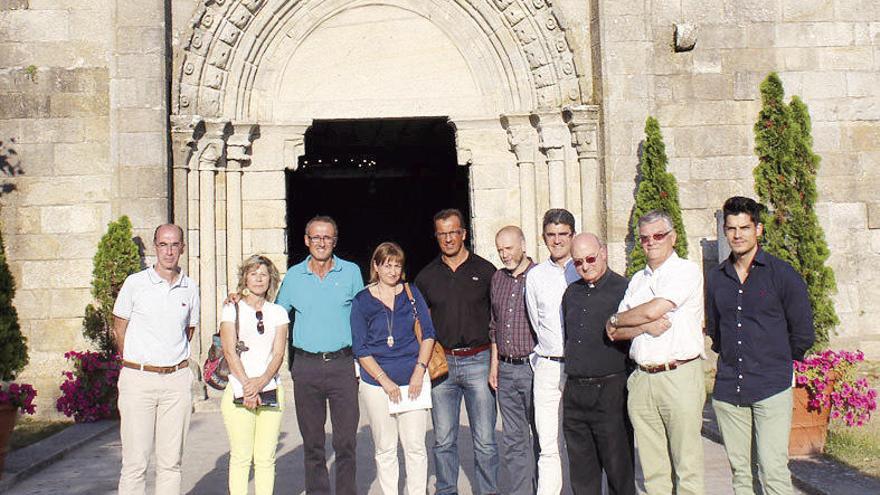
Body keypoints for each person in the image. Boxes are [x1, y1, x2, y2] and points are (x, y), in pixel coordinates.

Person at [708, 197, 814, 495]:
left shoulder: (782, 275)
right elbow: (716, 329)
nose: (737, 235)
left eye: (744, 227)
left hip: (771, 387)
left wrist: (775, 362)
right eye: (731, 228)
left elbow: (803, 332)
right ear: (725, 231)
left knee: (773, 472)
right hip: (730, 390)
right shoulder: (717, 278)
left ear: (759, 230)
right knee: (742, 476)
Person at [606, 210, 706, 495]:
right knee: (654, 472)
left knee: (687, 468)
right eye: (645, 238)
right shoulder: (637, 280)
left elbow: (650, 310)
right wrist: (643, 325)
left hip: (678, 375)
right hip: (642, 379)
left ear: (672, 237)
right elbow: (614, 331)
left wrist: (622, 318)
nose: (651, 242)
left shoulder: (686, 271)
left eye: (658, 235)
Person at [275, 216, 364, 495]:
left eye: (327, 238)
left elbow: (365, 315)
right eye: (316, 237)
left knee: (346, 441)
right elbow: (276, 314)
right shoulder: (293, 276)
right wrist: (239, 299)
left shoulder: (350, 272)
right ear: (306, 240)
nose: (322, 243)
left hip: (342, 365)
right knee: (313, 442)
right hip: (306, 366)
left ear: (334, 241)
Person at [414, 208, 499, 495]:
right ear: (436, 236)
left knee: (485, 441)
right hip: (444, 366)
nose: (448, 238)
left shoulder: (486, 271)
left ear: (463, 233)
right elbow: (419, 323)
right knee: (444, 440)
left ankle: (488, 491)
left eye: (453, 232)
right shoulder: (426, 277)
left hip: (479, 359)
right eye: (442, 233)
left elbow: (497, 319)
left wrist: (495, 363)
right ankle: (447, 490)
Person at [112, 224, 200, 495]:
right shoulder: (135, 284)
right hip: (139, 380)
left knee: (171, 463)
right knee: (135, 463)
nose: (169, 251)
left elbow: (189, 330)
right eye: (163, 245)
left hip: (176, 381)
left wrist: (168, 360)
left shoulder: (190, 287)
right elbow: (119, 328)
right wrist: (140, 361)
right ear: (155, 247)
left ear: (182, 249)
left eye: (174, 245)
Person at [350, 242, 437, 495]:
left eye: (397, 265)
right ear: (376, 267)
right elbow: (360, 347)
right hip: (377, 384)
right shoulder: (362, 300)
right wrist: (384, 381)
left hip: (413, 380)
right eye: (387, 265)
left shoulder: (411, 293)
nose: (392, 271)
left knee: (415, 446)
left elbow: (428, 333)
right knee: (386, 448)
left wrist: (419, 371)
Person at [562, 233, 642, 495]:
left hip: (610, 391)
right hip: (576, 393)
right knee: (582, 476)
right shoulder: (571, 293)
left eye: (590, 258)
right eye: (577, 262)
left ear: (604, 252)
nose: (585, 266)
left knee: (619, 471)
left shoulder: (624, 289)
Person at [219, 255, 289, 495]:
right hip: (238, 387)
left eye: (263, 274)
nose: (259, 279)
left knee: (265, 458)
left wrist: (260, 383)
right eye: (253, 273)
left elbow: (278, 353)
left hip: (270, 387)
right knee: (240, 456)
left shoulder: (278, 312)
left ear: (271, 279)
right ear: (245, 278)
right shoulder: (232, 307)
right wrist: (247, 386)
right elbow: (229, 350)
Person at [525, 208, 580, 495]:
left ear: (572, 235)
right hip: (547, 365)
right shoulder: (535, 277)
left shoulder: (583, 268)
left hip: (580, 367)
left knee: (579, 442)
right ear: (543, 237)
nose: (557, 241)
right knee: (548, 443)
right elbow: (536, 320)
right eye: (551, 235)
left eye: (563, 234)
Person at [489, 226, 538, 495]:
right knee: (514, 441)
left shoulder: (539, 276)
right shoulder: (498, 279)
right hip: (506, 370)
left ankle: (544, 489)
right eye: (500, 250)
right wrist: (494, 365)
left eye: (508, 248)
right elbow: (494, 325)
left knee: (541, 439)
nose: (504, 254)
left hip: (532, 368)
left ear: (523, 245)